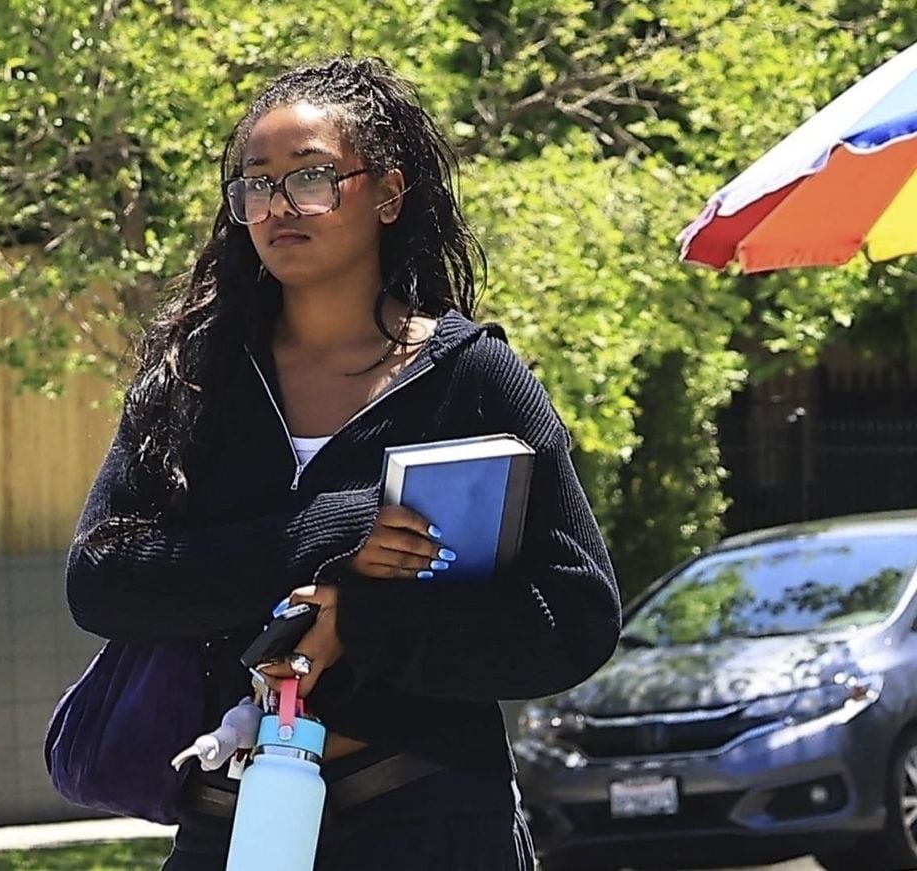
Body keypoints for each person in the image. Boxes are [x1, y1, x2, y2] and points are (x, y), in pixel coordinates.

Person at [66, 57, 621, 870]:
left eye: (311, 176)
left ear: (388, 194)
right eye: (257, 184)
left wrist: (364, 622)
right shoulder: (195, 378)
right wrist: (333, 527)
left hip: (430, 824)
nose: (278, 205)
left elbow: (575, 617)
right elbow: (101, 576)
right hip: (232, 830)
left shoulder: (471, 377)